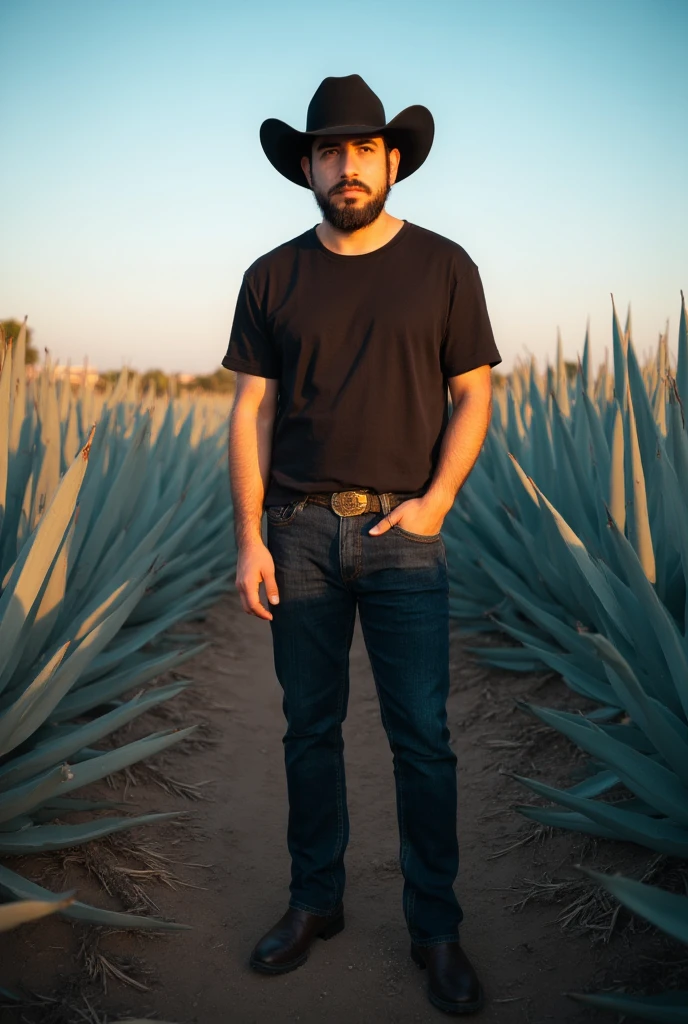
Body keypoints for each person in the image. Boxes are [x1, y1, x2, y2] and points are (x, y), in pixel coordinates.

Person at [222, 73, 502, 1016]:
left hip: (402, 536)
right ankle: (316, 904)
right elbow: (250, 411)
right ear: (306, 166)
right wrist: (250, 538)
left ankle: (437, 927)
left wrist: (435, 504)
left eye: (366, 150)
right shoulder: (270, 275)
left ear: (393, 162)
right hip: (297, 534)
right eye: (330, 152)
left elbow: (474, 394)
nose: (348, 166)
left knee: (422, 739)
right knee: (310, 732)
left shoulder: (445, 266)